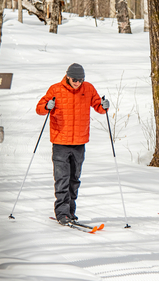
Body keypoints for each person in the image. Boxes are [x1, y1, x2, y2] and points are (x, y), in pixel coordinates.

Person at [36, 63, 110, 225]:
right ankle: (62, 213)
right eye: (75, 79)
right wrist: (47, 106)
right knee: (62, 178)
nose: (78, 82)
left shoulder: (88, 88)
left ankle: (70, 211)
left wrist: (104, 106)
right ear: (67, 77)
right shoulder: (55, 89)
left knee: (74, 179)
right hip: (60, 142)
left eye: (81, 79)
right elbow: (40, 109)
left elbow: (98, 106)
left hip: (79, 142)